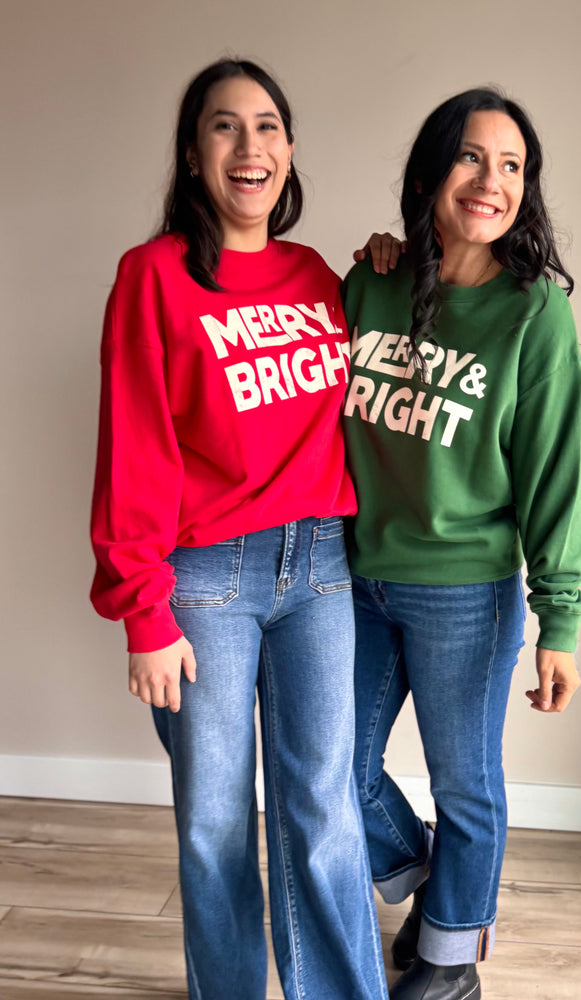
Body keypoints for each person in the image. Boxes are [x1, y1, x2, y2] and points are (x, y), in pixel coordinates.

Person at [90, 58, 389, 1000]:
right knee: (215, 821)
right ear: (192, 154)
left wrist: (389, 260)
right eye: (224, 127)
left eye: (266, 126)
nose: (248, 146)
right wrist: (144, 610)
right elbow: (133, 445)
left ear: (289, 150)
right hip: (204, 580)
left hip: (322, 567)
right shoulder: (153, 276)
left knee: (324, 808)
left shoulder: (316, 276)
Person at [343, 88, 581, 1000]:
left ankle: (450, 966)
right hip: (353, 577)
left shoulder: (535, 315)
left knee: (466, 785)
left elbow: (554, 476)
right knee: (332, 769)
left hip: (465, 591)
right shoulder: (369, 282)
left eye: (513, 165)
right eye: (471, 158)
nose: (492, 181)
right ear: (428, 173)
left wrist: (559, 619)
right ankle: (435, 887)